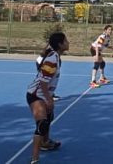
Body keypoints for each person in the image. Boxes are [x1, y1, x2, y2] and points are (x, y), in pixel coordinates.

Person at [27, 32, 69, 164]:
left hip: (43, 93)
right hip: (35, 94)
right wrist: (49, 100)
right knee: (42, 124)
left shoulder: (55, 57)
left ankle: (45, 142)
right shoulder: (52, 60)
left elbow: (40, 63)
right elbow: (43, 83)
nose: (68, 42)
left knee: (49, 117)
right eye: (66, 40)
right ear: (60, 44)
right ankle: (34, 159)